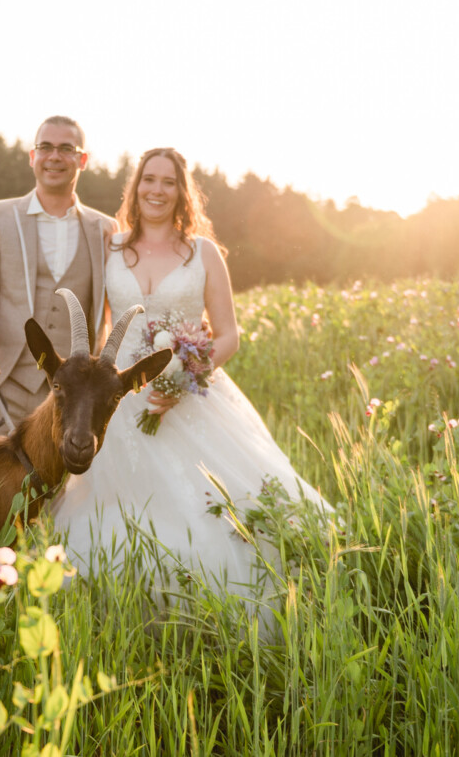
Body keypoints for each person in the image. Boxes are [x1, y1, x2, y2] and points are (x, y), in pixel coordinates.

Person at [50, 147, 335, 622]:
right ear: (135, 187)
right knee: (115, 504)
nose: (156, 190)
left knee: (204, 504)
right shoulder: (112, 248)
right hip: (117, 398)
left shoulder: (201, 253)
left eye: (167, 182)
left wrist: (184, 379)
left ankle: (212, 611)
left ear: (182, 192)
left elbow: (228, 335)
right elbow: (102, 333)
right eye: (148, 180)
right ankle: (118, 613)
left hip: (189, 393)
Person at [0, 116, 116, 442]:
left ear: (82, 160)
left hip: (69, 398)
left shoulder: (105, 229)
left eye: (66, 148)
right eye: (45, 147)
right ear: (32, 156)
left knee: (55, 494)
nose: (54, 156)